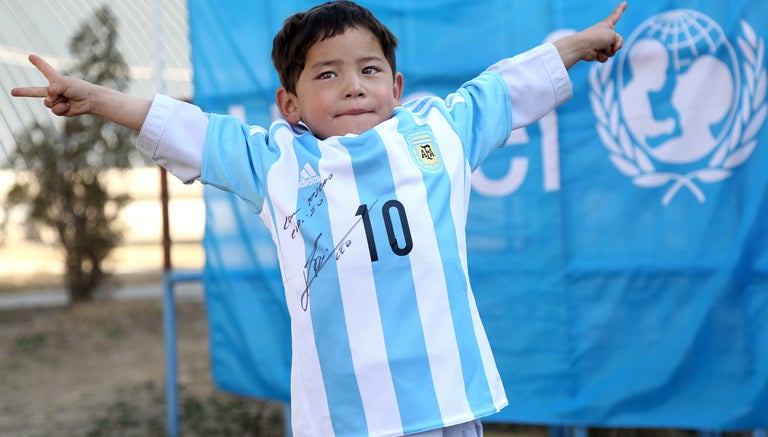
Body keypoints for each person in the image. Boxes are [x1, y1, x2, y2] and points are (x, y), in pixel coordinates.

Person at [12, 1, 626, 435]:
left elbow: (504, 88)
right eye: (327, 74)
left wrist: (577, 44)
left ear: (396, 86)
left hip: (445, 400)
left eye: (369, 70)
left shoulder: (439, 130)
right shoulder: (275, 160)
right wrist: (95, 99)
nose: (353, 85)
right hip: (345, 417)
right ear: (290, 103)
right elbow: (187, 128)